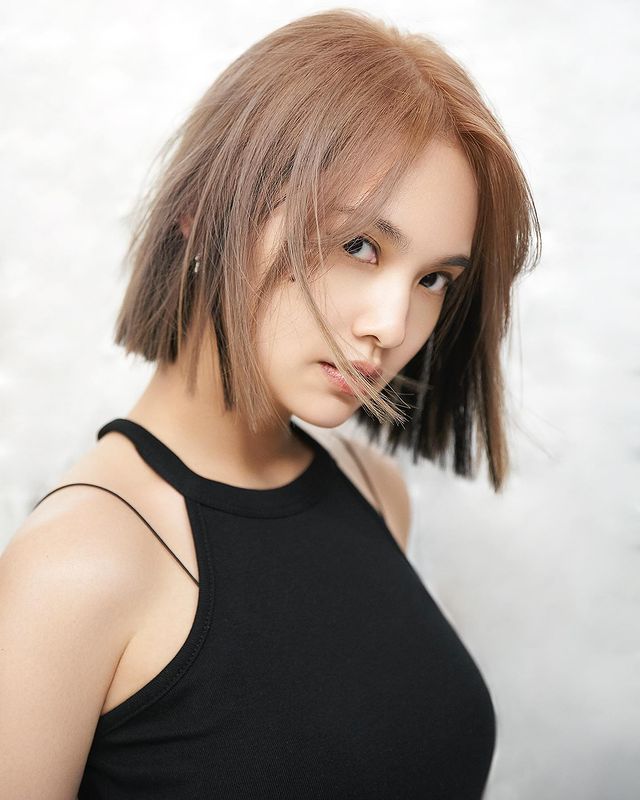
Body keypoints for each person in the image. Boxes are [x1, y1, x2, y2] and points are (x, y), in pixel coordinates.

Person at [0, 8, 540, 799]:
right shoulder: (75, 568)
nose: (393, 325)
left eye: (433, 279)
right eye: (359, 245)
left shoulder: (372, 493)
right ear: (204, 211)